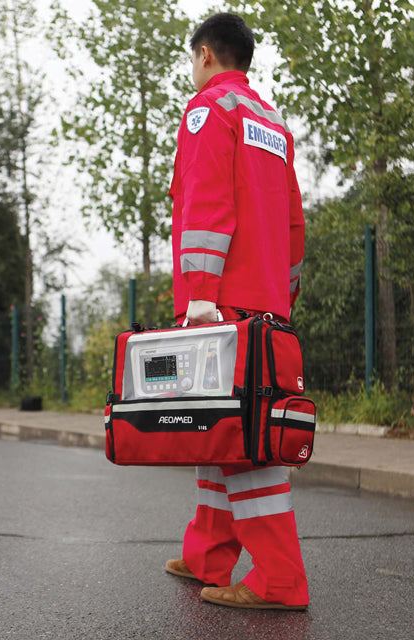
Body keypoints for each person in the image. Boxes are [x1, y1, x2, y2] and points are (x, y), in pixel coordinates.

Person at [164, 13, 308, 610]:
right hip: (265, 299)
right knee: (219, 430)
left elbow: (205, 203)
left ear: (204, 55)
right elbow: (295, 224)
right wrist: (284, 293)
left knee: (244, 439)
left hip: (219, 301)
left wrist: (199, 296)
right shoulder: (272, 123)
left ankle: (278, 580)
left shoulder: (208, 112)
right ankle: (207, 556)